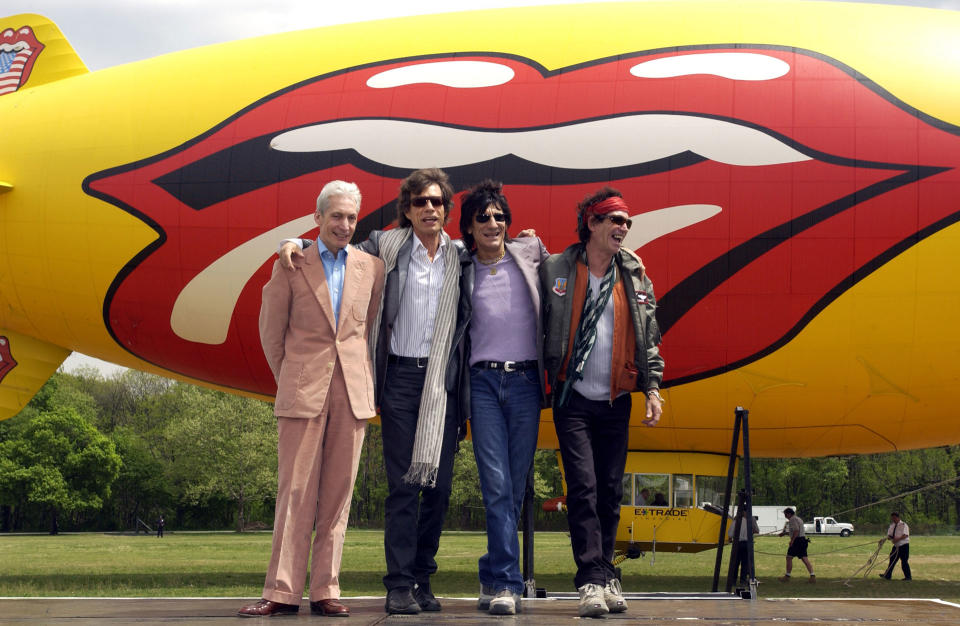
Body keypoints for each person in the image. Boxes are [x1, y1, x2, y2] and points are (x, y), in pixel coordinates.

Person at [279, 168, 471, 615]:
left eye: (437, 202)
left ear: (446, 209)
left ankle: (423, 578)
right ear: (406, 209)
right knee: (404, 486)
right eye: (420, 202)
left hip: (443, 382)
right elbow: (333, 248)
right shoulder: (385, 249)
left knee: (439, 488)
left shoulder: (462, 258)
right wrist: (295, 241)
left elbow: (511, 251)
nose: (430, 209)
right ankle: (399, 584)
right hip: (400, 379)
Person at [238, 181, 386, 618]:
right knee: (295, 494)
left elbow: (366, 331)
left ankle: (325, 589)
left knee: (338, 497)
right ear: (317, 218)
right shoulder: (291, 263)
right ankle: (281, 592)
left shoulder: (372, 268)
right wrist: (293, 376)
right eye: (336, 216)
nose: (344, 225)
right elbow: (271, 333)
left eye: (352, 218)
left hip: (353, 394)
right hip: (303, 390)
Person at [540, 187, 664, 618]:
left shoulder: (633, 272)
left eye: (627, 222)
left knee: (610, 491)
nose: (623, 228)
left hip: (615, 400)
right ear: (592, 224)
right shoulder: (557, 267)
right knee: (584, 489)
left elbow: (649, 336)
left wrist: (652, 388)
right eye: (615, 220)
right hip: (572, 398)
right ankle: (590, 580)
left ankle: (607, 573)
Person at [457, 180, 549, 615]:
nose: (493, 223)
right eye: (483, 217)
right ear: (469, 227)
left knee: (513, 489)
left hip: (527, 384)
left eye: (499, 216)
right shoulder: (460, 268)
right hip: (484, 385)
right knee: (496, 486)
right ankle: (508, 585)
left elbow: (577, 266)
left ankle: (491, 572)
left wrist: (627, 258)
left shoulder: (530, 255)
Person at [778, 508, 815, 583]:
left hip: (797, 541)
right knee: (804, 559)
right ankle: (812, 576)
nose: (785, 515)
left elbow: (796, 531)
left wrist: (792, 541)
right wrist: (784, 533)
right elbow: (795, 531)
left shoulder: (792, 520)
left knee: (789, 557)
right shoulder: (798, 519)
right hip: (802, 540)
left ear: (789, 514)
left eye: (785, 514)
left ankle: (787, 576)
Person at [727, 510, 760, 585]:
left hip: (737, 544)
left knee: (735, 563)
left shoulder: (736, 521)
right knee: (745, 563)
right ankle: (743, 580)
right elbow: (756, 531)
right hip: (746, 544)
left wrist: (730, 539)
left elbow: (730, 534)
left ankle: (733, 580)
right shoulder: (750, 521)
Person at [880, 511, 911, 580]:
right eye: (892, 518)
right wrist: (883, 539)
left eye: (894, 518)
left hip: (904, 546)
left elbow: (905, 535)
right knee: (892, 560)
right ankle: (888, 575)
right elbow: (890, 536)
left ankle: (908, 577)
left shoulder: (904, 525)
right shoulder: (892, 525)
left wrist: (897, 539)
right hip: (896, 546)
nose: (893, 519)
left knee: (904, 562)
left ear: (898, 517)